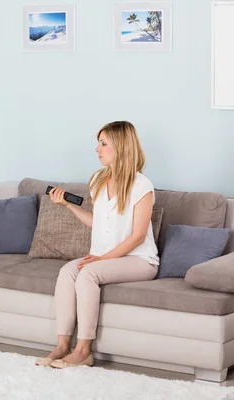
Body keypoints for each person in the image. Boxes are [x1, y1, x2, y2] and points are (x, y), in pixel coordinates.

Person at [35, 121, 159, 369]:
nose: (97, 149)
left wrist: (102, 259)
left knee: (87, 273)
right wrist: (69, 205)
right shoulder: (99, 181)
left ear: (121, 147)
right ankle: (62, 345)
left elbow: (137, 236)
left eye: (103, 144)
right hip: (106, 258)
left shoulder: (142, 186)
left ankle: (83, 351)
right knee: (68, 271)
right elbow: (98, 223)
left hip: (139, 260)